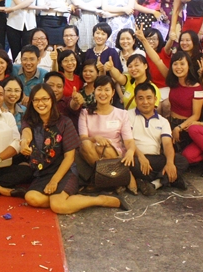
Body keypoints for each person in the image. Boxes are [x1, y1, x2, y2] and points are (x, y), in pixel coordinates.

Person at [21, 83, 129, 212]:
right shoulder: (29, 120)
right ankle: (63, 198)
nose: (40, 103)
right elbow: (26, 132)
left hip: (65, 171)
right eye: (36, 100)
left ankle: (100, 200)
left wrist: (54, 181)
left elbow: (69, 157)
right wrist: (24, 142)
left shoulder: (64, 122)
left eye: (45, 99)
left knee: (58, 206)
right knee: (32, 198)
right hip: (43, 173)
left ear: (52, 100)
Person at [78, 76, 138, 194]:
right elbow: (83, 138)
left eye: (107, 90)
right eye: (99, 89)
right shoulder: (85, 113)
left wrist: (131, 151)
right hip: (91, 151)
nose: (103, 93)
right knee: (86, 144)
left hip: (114, 152)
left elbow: (128, 141)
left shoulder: (121, 114)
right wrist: (95, 138)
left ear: (113, 92)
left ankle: (102, 180)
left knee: (101, 148)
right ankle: (117, 178)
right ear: (94, 91)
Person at [127, 83, 189, 194]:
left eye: (149, 98)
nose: (145, 102)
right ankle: (170, 179)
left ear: (155, 99)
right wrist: (141, 156)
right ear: (135, 100)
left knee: (181, 161)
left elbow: (167, 144)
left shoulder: (163, 121)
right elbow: (127, 140)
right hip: (137, 158)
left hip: (155, 159)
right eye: (141, 98)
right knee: (130, 164)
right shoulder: (127, 116)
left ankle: (155, 183)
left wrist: (169, 163)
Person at [165, 51, 203, 148]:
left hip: (185, 127)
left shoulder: (197, 88)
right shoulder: (173, 83)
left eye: (182, 64)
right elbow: (157, 61)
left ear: (189, 66)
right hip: (170, 122)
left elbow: (196, 115)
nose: (178, 67)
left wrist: (179, 128)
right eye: (175, 64)